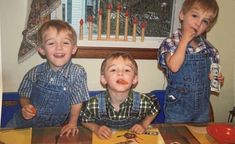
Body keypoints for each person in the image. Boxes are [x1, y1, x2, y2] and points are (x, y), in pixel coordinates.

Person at [7, 20, 90, 136]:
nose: (59, 48)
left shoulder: (77, 73)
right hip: (23, 123)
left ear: (74, 49)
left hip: (52, 128)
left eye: (65, 43)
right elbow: (23, 94)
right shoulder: (34, 73)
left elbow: (77, 101)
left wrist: (72, 123)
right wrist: (26, 106)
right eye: (51, 43)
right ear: (42, 50)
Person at [158, 0, 224, 123]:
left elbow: (211, 82)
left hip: (203, 110)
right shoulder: (170, 43)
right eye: (195, 16)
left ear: (208, 27)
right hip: (178, 109)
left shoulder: (210, 50)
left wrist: (217, 79)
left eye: (205, 21)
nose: (198, 23)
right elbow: (174, 67)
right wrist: (184, 40)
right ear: (182, 15)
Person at [80, 51, 160, 139]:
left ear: (134, 79)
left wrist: (143, 125)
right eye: (113, 70)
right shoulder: (94, 103)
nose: (120, 73)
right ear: (104, 79)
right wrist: (96, 128)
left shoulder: (143, 101)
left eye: (127, 70)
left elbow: (155, 109)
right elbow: (84, 120)